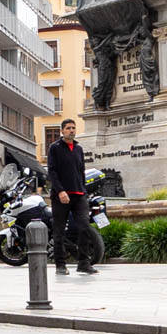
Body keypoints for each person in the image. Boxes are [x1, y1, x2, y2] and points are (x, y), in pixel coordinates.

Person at [47, 118, 97, 276]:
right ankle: (60, 265)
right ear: (62, 131)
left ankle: (83, 263)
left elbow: (81, 171)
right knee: (59, 231)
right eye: (68, 128)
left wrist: (84, 191)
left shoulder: (78, 148)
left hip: (79, 194)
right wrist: (60, 191)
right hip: (60, 195)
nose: (71, 130)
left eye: (73, 128)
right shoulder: (54, 148)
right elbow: (52, 172)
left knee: (84, 228)